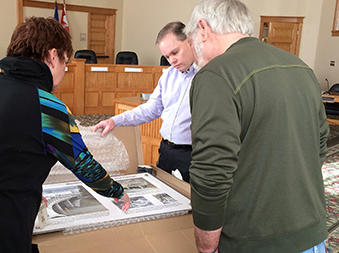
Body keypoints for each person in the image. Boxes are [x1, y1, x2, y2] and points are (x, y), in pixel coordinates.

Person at [0, 17, 130, 253]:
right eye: (65, 62)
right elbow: (83, 164)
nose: (65, 69)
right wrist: (117, 191)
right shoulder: (47, 105)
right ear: (52, 56)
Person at [185, 0, 329, 252]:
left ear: (203, 29)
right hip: (312, 233)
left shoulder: (216, 74)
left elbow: (212, 168)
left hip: (253, 240)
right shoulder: (300, 66)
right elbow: (318, 144)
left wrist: (206, 245)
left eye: (192, 38)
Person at [93, 21, 196, 182]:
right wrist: (115, 120)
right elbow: (150, 109)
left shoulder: (207, 75)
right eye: (167, 57)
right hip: (167, 150)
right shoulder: (168, 75)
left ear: (190, 40)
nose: (172, 60)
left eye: (175, 52)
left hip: (192, 154)